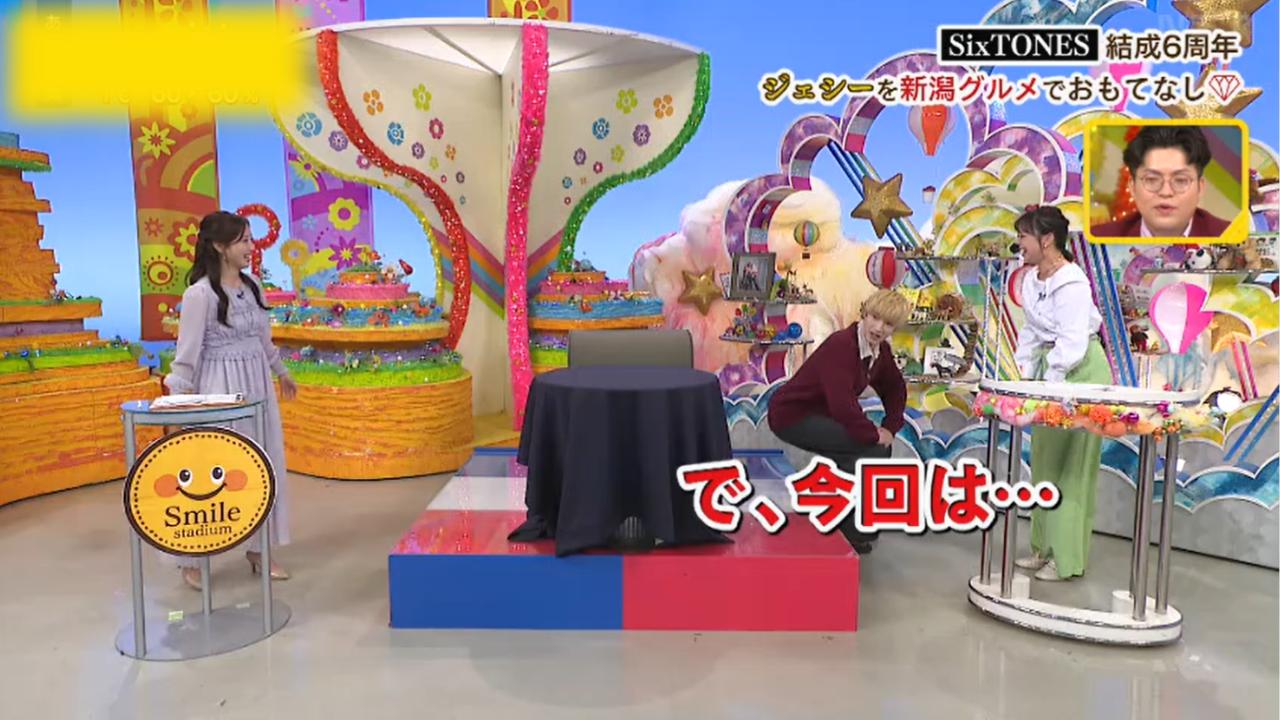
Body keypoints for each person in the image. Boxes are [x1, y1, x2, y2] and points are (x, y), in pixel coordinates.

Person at [165, 210, 298, 590]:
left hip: (257, 388)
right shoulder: (199, 295)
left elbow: (263, 340)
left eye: (250, 240)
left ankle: (259, 549)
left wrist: (281, 372)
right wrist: (178, 406)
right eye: (243, 241)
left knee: (261, 465)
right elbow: (186, 356)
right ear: (220, 247)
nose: (251, 247)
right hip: (219, 390)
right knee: (215, 471)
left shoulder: (252, 286)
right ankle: (193, 557)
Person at [1012, 205, 1113, 581]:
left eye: (1023, 236)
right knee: (1044, 462)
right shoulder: (1029, 280)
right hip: (1049, 374)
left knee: (1073, 471)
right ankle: (1042, 547)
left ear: (1047, 239)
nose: (1019, 244)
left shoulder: (1072, 282)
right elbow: (1031, 332)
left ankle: (1065, 559)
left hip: (1080, 373)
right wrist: (1025, 380)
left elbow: (1072, 342)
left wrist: (1052, 386)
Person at [768, 289, 911, 553]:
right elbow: (842, 404)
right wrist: (874, 434)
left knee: (873, 451)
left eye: (888, 323)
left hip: (823, 414)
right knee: (871, 449)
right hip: (791, 415)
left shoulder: (879, 351)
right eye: (875, 317)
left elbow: (895, 388)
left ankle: (851, 524)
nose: (879, 328)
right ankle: (849, 530)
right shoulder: (841, 345)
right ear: (864, 313)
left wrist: (891, 427)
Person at [1090, 125, 1232, 239]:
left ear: (1200, 188)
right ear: (1132, 187)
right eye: (1152, 180)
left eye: (1180, 180)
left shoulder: (1230, 237)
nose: (1165, 192)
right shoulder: (1097, 238)